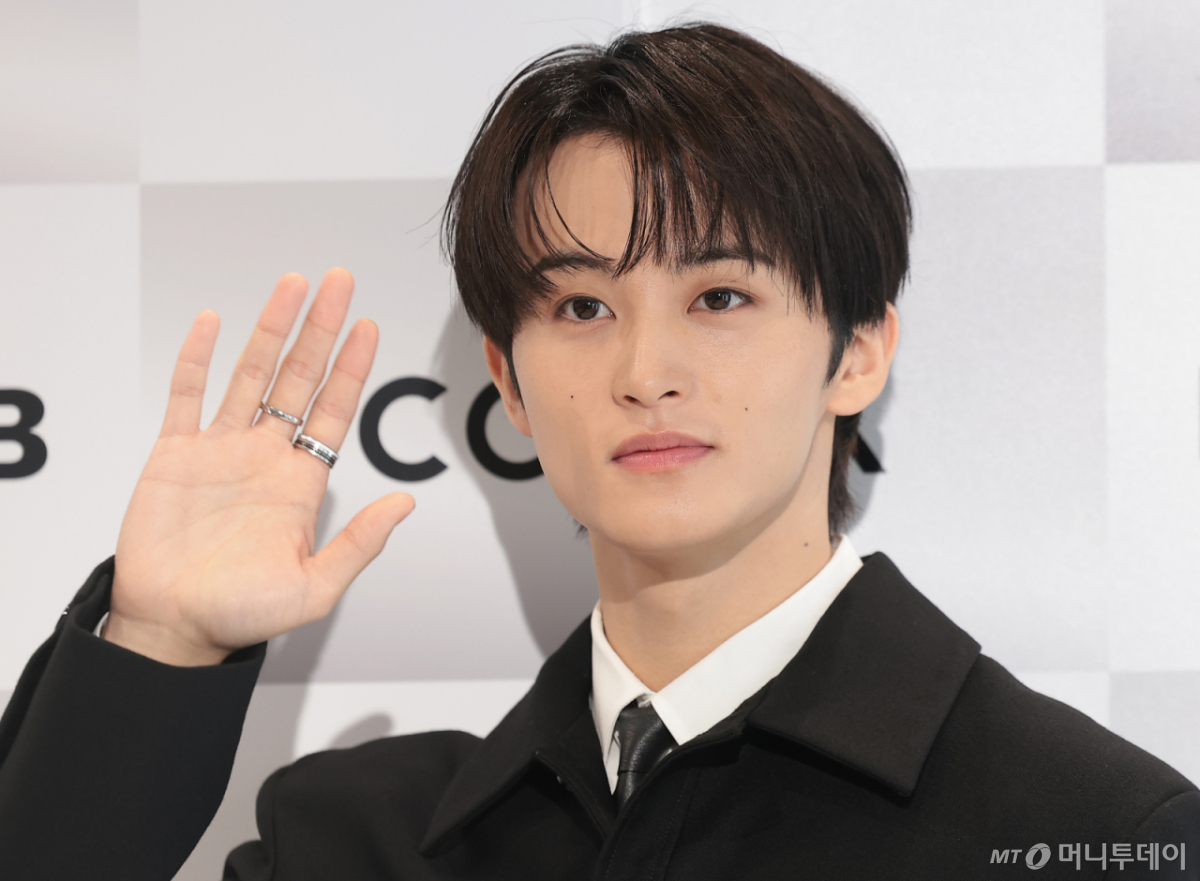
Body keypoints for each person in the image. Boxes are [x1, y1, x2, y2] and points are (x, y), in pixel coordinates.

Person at [0, 22, 1196, 881]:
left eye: (720, 296)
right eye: (581, 306)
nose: (644, 368)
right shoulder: (358, 837)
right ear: (509, 380)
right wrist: (163, 643)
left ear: (858, 350)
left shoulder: (1094, 826)